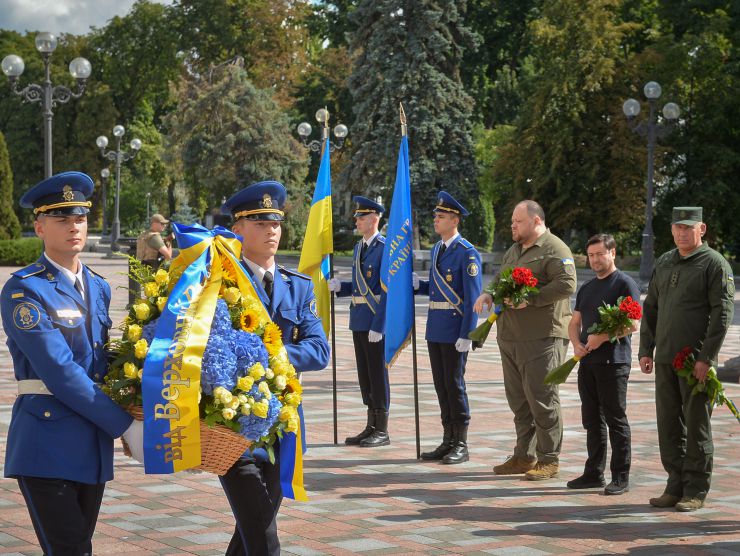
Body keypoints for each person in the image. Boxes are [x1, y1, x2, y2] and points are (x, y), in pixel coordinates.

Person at [0, 171, 144, 555]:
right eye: (62, 219)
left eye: (79, 218)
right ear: (40, 226)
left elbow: (99, 359)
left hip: (90, 445)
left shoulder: (97, 285)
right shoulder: (24, 289)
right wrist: (125, 425)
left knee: (79, 548)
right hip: (47, 443)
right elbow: (60, 370)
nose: (73, 227)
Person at [220, 180, 330, 555]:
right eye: (260, 223)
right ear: (238, 229)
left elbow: (319, 351)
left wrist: (266, 351)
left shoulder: (297, 286)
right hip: (233, 424)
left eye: (276, 223)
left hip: (283, 422)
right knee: (263, 534)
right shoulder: (219, 284)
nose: (271, 231)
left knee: (251, 532)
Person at [639, 206, 734, 512]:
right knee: (668, 425)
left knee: (696, 426)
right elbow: (650, 308)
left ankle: (696, 488)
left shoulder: (714, 264)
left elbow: (723, 313)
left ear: (701, 229)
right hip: (666, 359)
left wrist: (707, 357)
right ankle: (674, 484)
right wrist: (645, 349)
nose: (682, 233)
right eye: (678, 227)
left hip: (695, 362)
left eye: (688, 228)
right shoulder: (665, 262)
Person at [474, 200, 576, 480]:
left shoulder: (555, 249)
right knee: (519, 401)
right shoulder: (515, 249)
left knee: (542, 398)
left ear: (536, 221)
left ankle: (549, 458)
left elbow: (567, 284)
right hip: (511, 336)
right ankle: (524, 455)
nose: (512, 226)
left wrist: (530, 300)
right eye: (512, 222)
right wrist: (488, 293)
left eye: (517, 222)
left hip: (541, 337)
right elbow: (502, 280)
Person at [567, 233, 641, 495]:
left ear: (612, 253)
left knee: (615, 419)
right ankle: (593, 473)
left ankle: (620, 476)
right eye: (591, 255)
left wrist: (604, 337)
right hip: (587, 362)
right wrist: (576, 343)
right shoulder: (587, 288)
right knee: (591, 420)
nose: (596, 259)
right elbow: (574, 323)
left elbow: (633, 323)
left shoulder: (625, 284)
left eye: (600, 254)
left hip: (614, 363)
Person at [413, 191, 482, 464]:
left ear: (454, 220)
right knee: (441, 385)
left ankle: (461, 443)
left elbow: (472, 296)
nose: (435, 221)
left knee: (455, 385)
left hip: (455, 332)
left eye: (440, 217)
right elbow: (439, 288)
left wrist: (468, 334)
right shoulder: (437, 249)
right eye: (436, 216)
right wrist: (420, 286)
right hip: (436, 329)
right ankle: (447, 439)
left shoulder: (467, 252)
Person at [328, 196, 390, 447]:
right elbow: (358, 284)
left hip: (375, 320)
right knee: (365, 375)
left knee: (377, 374)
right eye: (357, 217)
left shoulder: (385, 248)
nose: (357, 221)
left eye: (362, 217)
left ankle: (382, 429)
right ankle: (370, 424)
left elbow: (387, 290)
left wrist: (380, 325)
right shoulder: (359, 247)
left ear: (375, 219)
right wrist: (340, 287)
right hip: (358, 319)